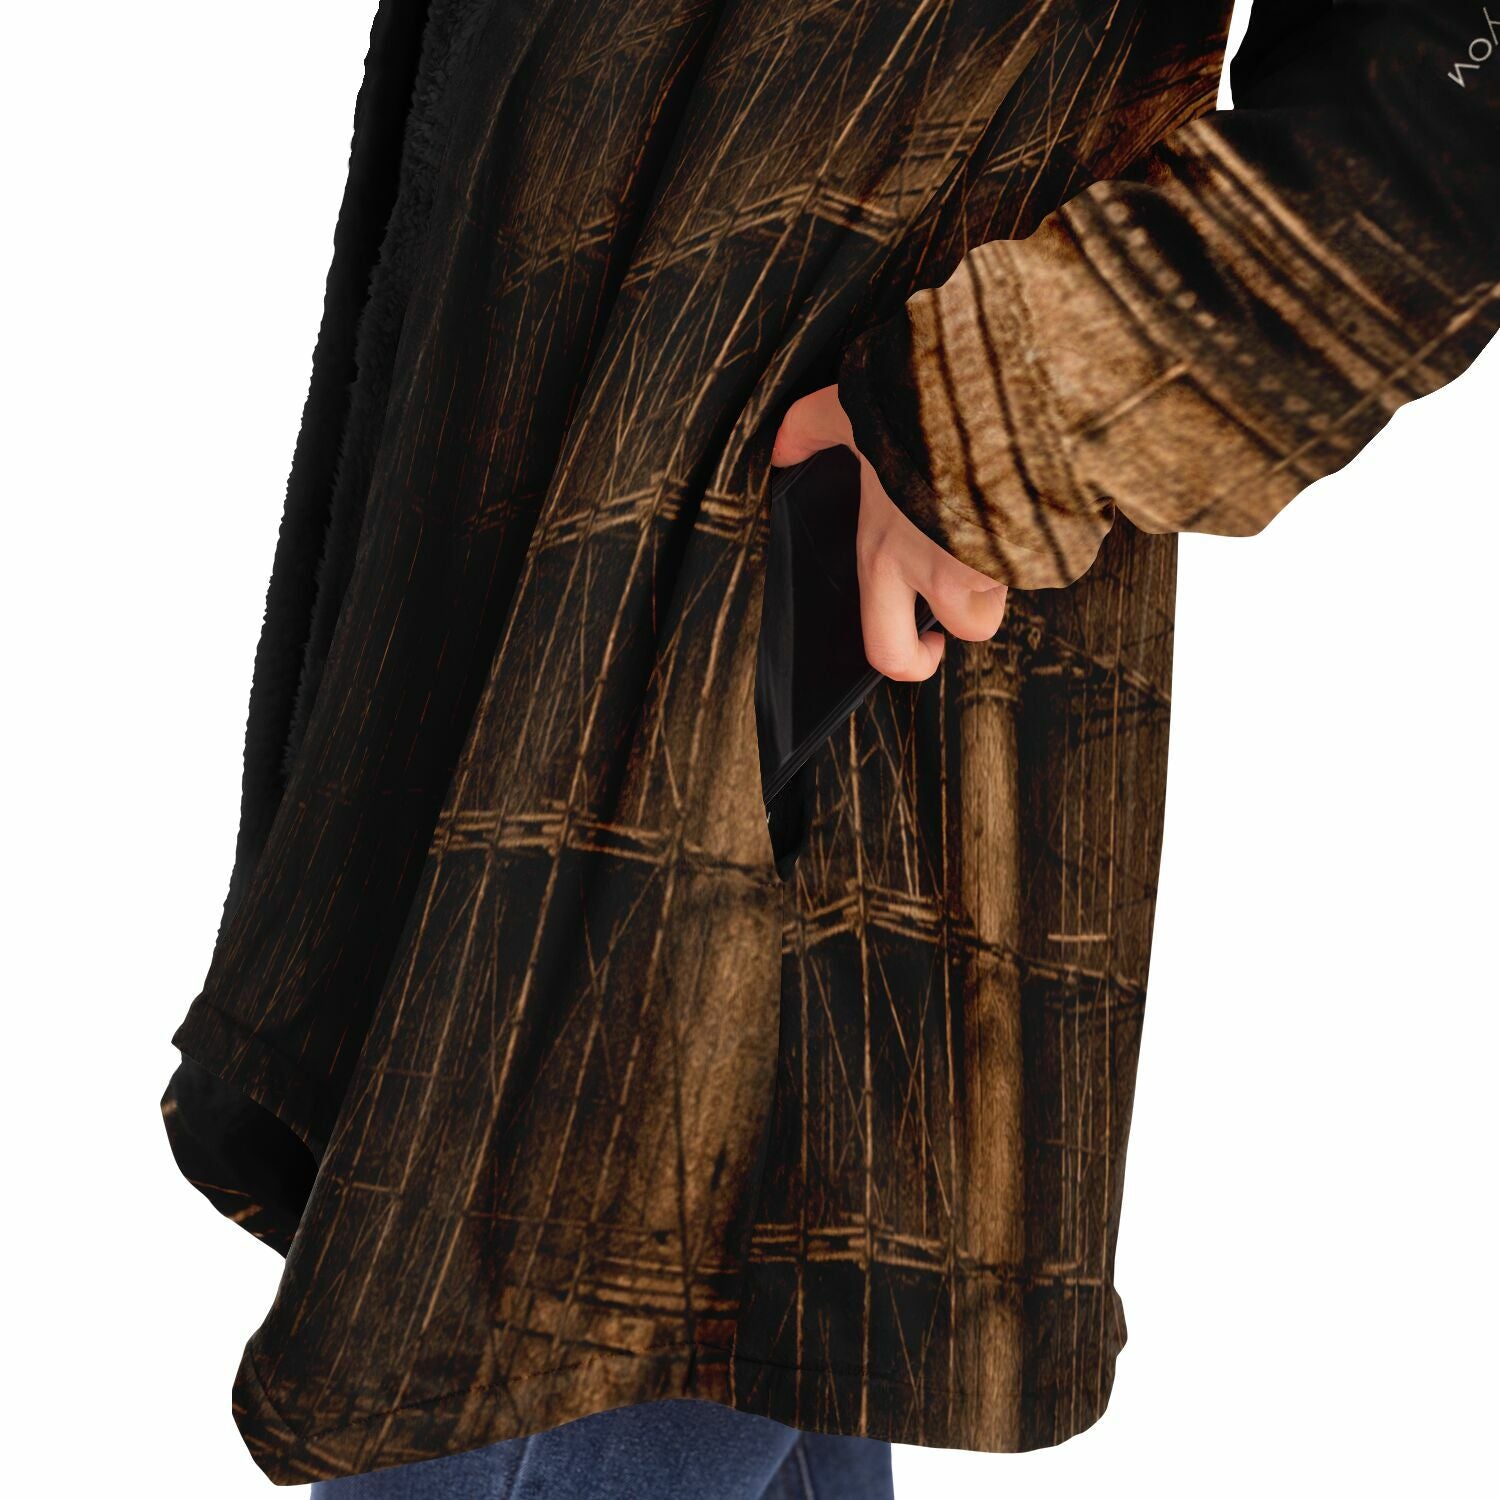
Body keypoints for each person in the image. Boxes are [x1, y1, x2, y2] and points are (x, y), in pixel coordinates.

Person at [160, 0, 1498, 1492]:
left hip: (814, 590)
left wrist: (1024, 403)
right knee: (715, 1332)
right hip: (519, 526)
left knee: (576, 1339)